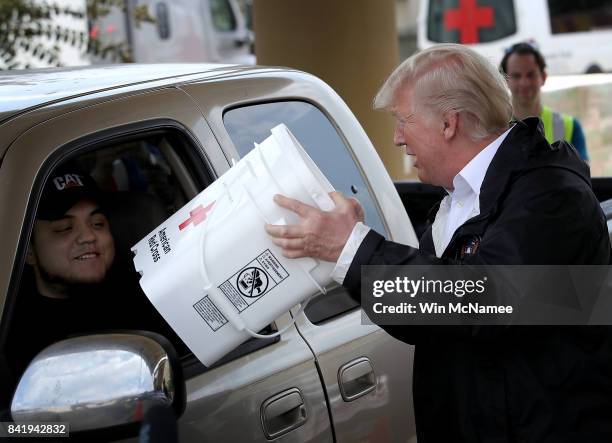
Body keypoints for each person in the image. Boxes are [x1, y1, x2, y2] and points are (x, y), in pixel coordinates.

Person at [265, 44, 612, 442]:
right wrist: (347, 254)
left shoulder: (551, 195)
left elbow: (484, 301)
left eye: (403, 120)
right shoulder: (462, 197)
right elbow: (430, 320)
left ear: (449, 124)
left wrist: (353, 250)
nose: (397, 138)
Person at [500, 42, 589, 161]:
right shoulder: (495, 128)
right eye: (516, 76)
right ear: (505, 81)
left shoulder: (571, 127)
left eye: (530, 75)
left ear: (544, 77)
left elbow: (582, 177)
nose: (524, 83)